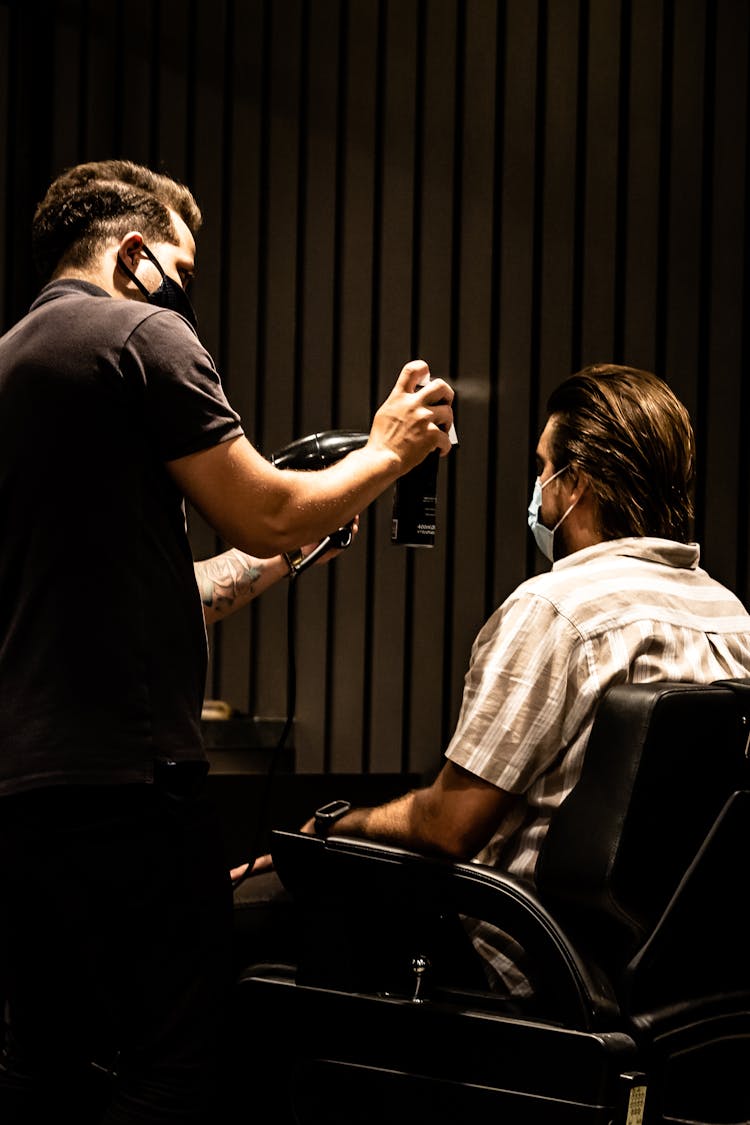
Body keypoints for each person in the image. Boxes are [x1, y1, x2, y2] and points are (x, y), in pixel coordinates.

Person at [0, 158, 453, 1124]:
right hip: (126, 787)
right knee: (173, 1061)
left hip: (20, 794)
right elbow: (266, 510)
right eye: (181, 266)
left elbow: (175, 587)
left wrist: (293, 548)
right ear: (134, 255)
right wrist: (392, 451)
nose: (185, 292)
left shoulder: (13, 365)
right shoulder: (141, 333)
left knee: (41, 1058)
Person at [283, 364, 750, 997]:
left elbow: (449, 826)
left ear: (574, 484)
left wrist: (332, 825)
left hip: (528, 962)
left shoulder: (556, 610)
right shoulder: (733, 616)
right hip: (672, 975)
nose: (537, 489)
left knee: (261, 918)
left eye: (542, 468)